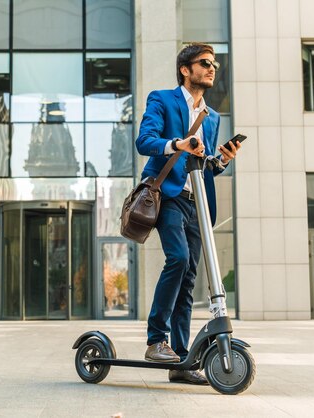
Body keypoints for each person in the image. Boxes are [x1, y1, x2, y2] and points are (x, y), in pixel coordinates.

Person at [135, 43, 242, 385]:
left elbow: (204, 164)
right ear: (185, 69)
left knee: (189, 278)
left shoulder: (212, 117)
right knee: (178, 260)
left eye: (215, 65)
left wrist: (222, 159)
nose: (212, 69)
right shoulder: (162, 99)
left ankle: (181, 361)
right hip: (168, 196)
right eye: (205, 63)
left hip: (198, 204)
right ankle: (156, 340)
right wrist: (177, 143)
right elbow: (145, 141)